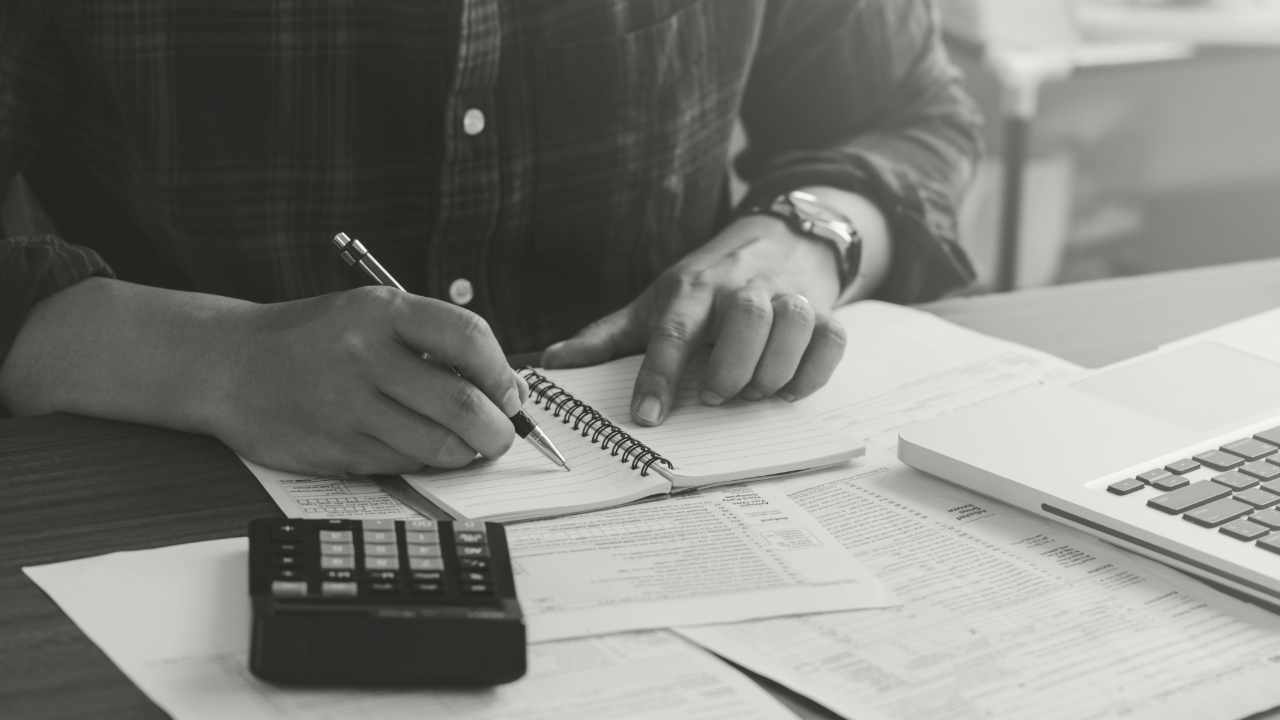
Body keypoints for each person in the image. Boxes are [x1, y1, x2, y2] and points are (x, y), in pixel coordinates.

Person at [0, 0, 980, 475]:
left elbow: (912, 114)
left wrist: (808, 232)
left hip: (676, 464)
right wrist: (209, 359)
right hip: (171, 495)